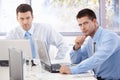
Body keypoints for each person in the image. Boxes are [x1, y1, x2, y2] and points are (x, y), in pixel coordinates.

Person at [59, 8, 120, 80]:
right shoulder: (90, 40)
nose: (83, 28)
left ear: (94, 21)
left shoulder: (109, 37)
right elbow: (76, 61)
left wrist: (72, 70)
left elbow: (96, 59)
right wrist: (77, 47)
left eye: (85, 23)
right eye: (80, 25)